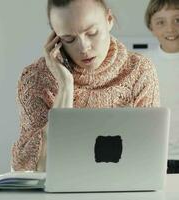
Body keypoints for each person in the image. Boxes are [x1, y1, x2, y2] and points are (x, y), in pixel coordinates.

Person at [11, 0, 160, 172]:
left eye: (92, 33)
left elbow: (147, 157)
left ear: (109, 19)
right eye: (69, 39)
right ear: (56, 38)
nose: (83, 47)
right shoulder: (36, 78)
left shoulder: (139, 70)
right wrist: (65, 86)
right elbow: (34, 169)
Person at [144, 0, 179, 174]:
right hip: (155, 158)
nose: (171, 29)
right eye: (161, 22)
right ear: (151, 27)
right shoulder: (143, 64)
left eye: (177, 20)